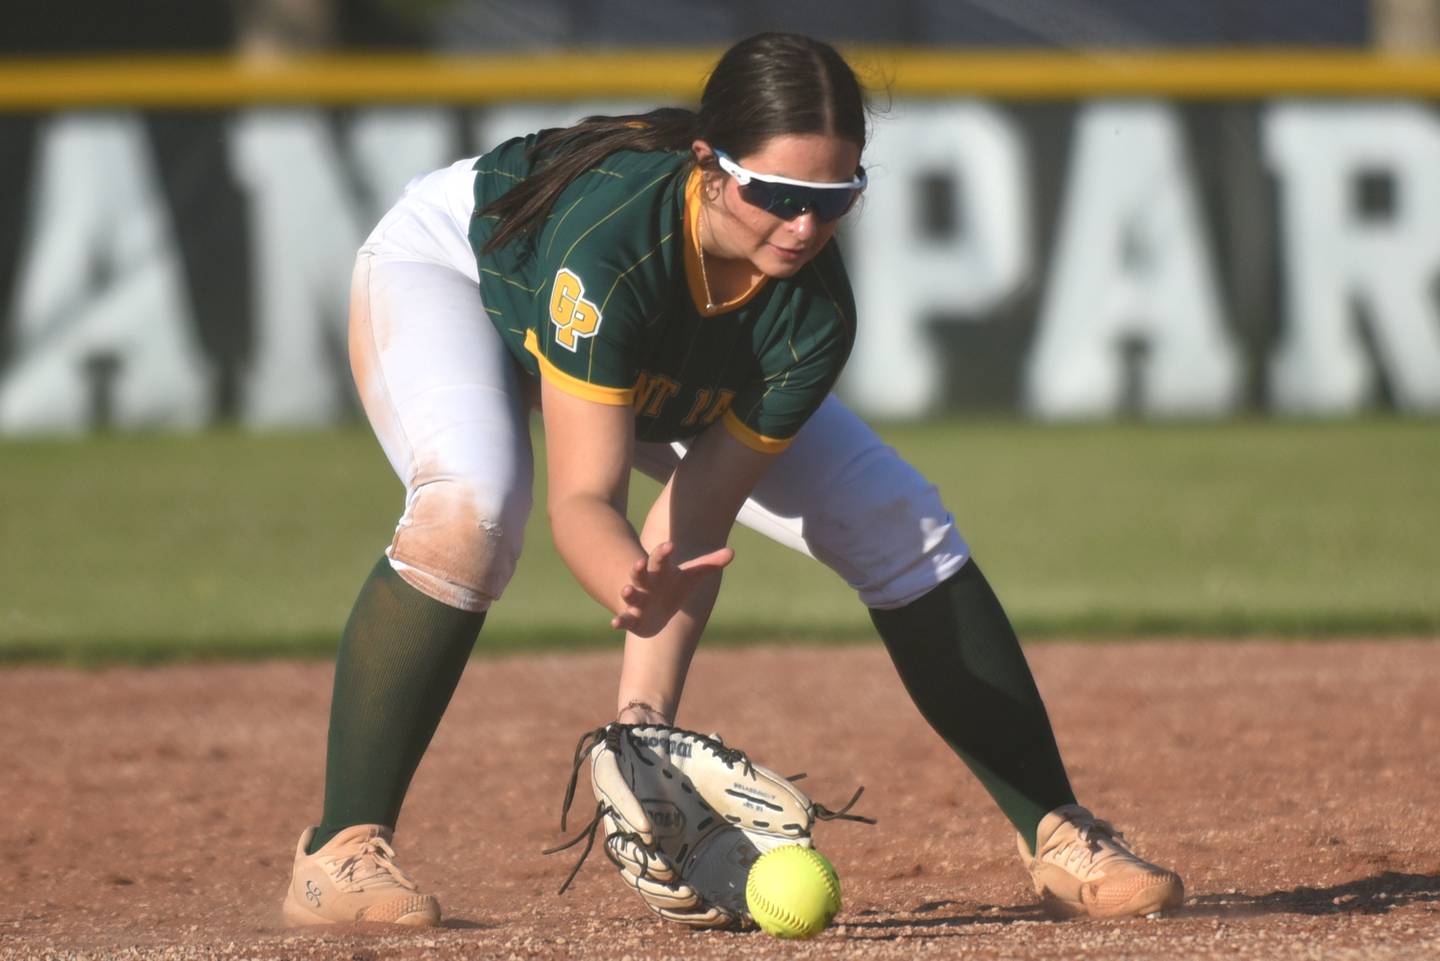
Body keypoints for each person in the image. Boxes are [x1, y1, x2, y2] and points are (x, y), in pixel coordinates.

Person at [280, 32, 1184, 928]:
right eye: (779, 195)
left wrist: (642, 727)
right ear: (710, 165)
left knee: (897, 517)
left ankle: (1059, 832)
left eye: (835, 199)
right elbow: (582, 500)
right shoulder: (614, 246)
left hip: (657, 355)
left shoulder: (813, 311)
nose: (805, 228)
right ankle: (338, 851)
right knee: (472, 511)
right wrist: (624, 576)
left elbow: (699, 513)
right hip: (458, 277)